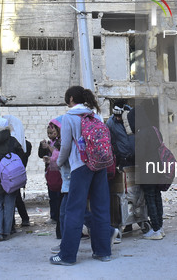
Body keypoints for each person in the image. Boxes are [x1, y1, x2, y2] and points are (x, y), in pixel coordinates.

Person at [51, 86, 112, 265]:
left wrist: (59, 162)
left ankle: (67, 256)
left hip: (81, 166)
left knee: (74, 211)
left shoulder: (69, 117)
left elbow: (66, 146)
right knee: (100, 208)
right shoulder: (95, 115)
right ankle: (103, 252)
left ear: (70, 98)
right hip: (99, 166)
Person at [135, 106, 166, 240]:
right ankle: (160, 227)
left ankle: (156, 229)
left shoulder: (142, 133)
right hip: (158, 167)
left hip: (147, 170)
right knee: (157, 196)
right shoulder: (155, 130)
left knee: (150, 198)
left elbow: (140, 154)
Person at [4, 114, 30, 229]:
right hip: (17, 173)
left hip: (11, 172)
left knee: (12, 197)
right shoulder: (25, 144)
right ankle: (22, 219)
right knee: (15, 196)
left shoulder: (11, 142)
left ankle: (13, 223)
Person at [41, 117, 63, 236]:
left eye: (53, 132)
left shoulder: (60, 142)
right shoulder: (51, 143)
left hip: (60, 174)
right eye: (49, 133)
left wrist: (49, 149)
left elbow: (58, 155)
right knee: (53, 196)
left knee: (61, 200)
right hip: (51, 173)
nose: (50, 135)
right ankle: (55, 217)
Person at [106, 100, 135, 168]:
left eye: (119, 116)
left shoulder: (133, 117)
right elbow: (112, 142)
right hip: (124, 157)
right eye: (116, 116)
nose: (118, 118)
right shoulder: (111, 123)